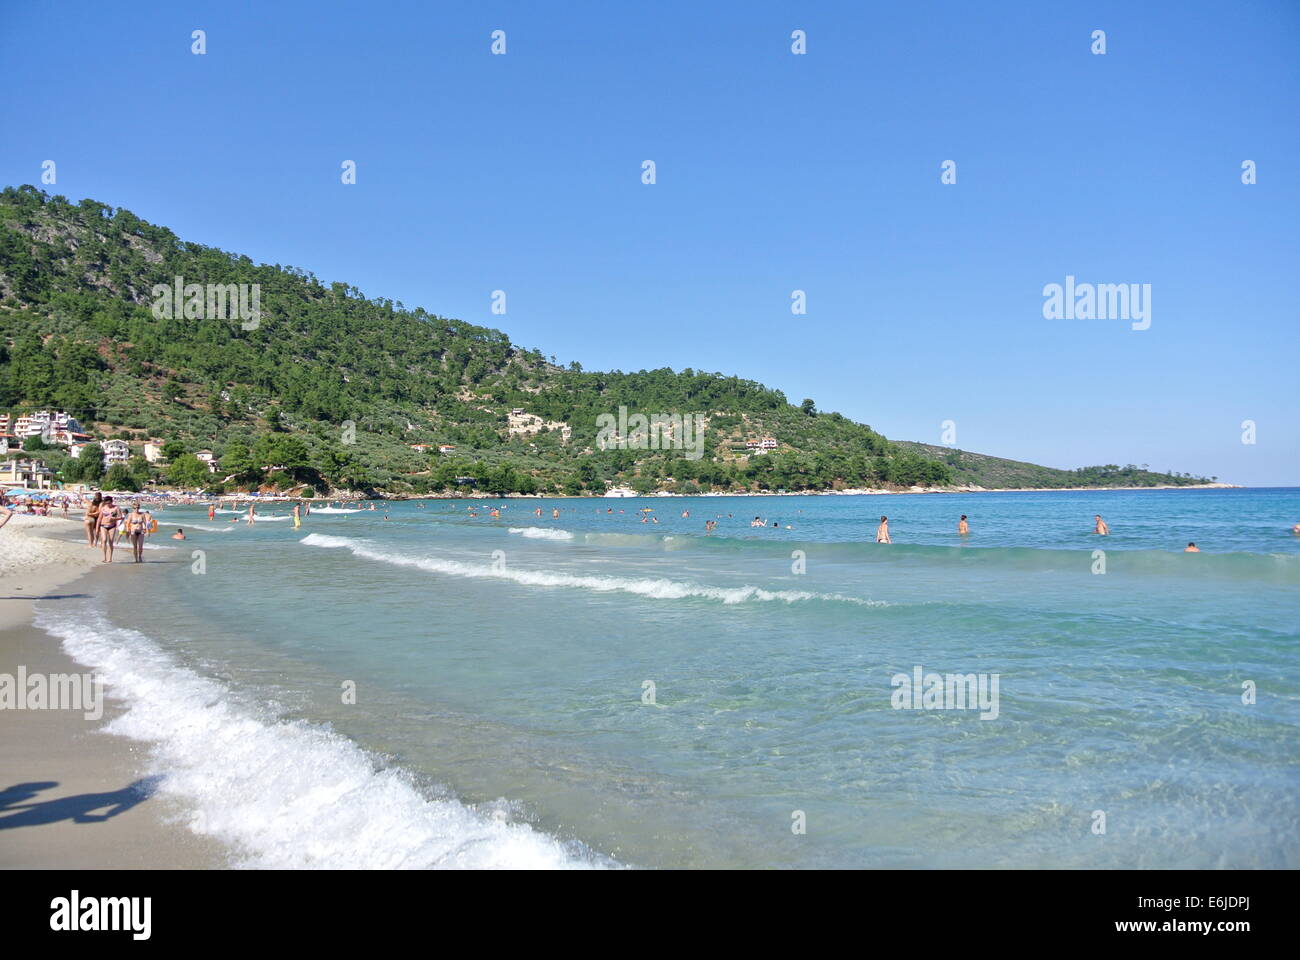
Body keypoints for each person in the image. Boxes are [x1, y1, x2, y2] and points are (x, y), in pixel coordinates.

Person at [97, 497, 121, 562]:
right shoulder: (103, 508)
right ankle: (104, 557)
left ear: (112, 502)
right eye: (106, 503)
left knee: (110, 541)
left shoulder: (116, 508)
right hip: (103, 525)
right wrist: (97, 527)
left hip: (112, 526)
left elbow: (120, 517)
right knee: (104, 540)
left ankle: (110, 558)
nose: (108, 504)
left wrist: (114, 519)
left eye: (109, 503)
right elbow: (99, 518)